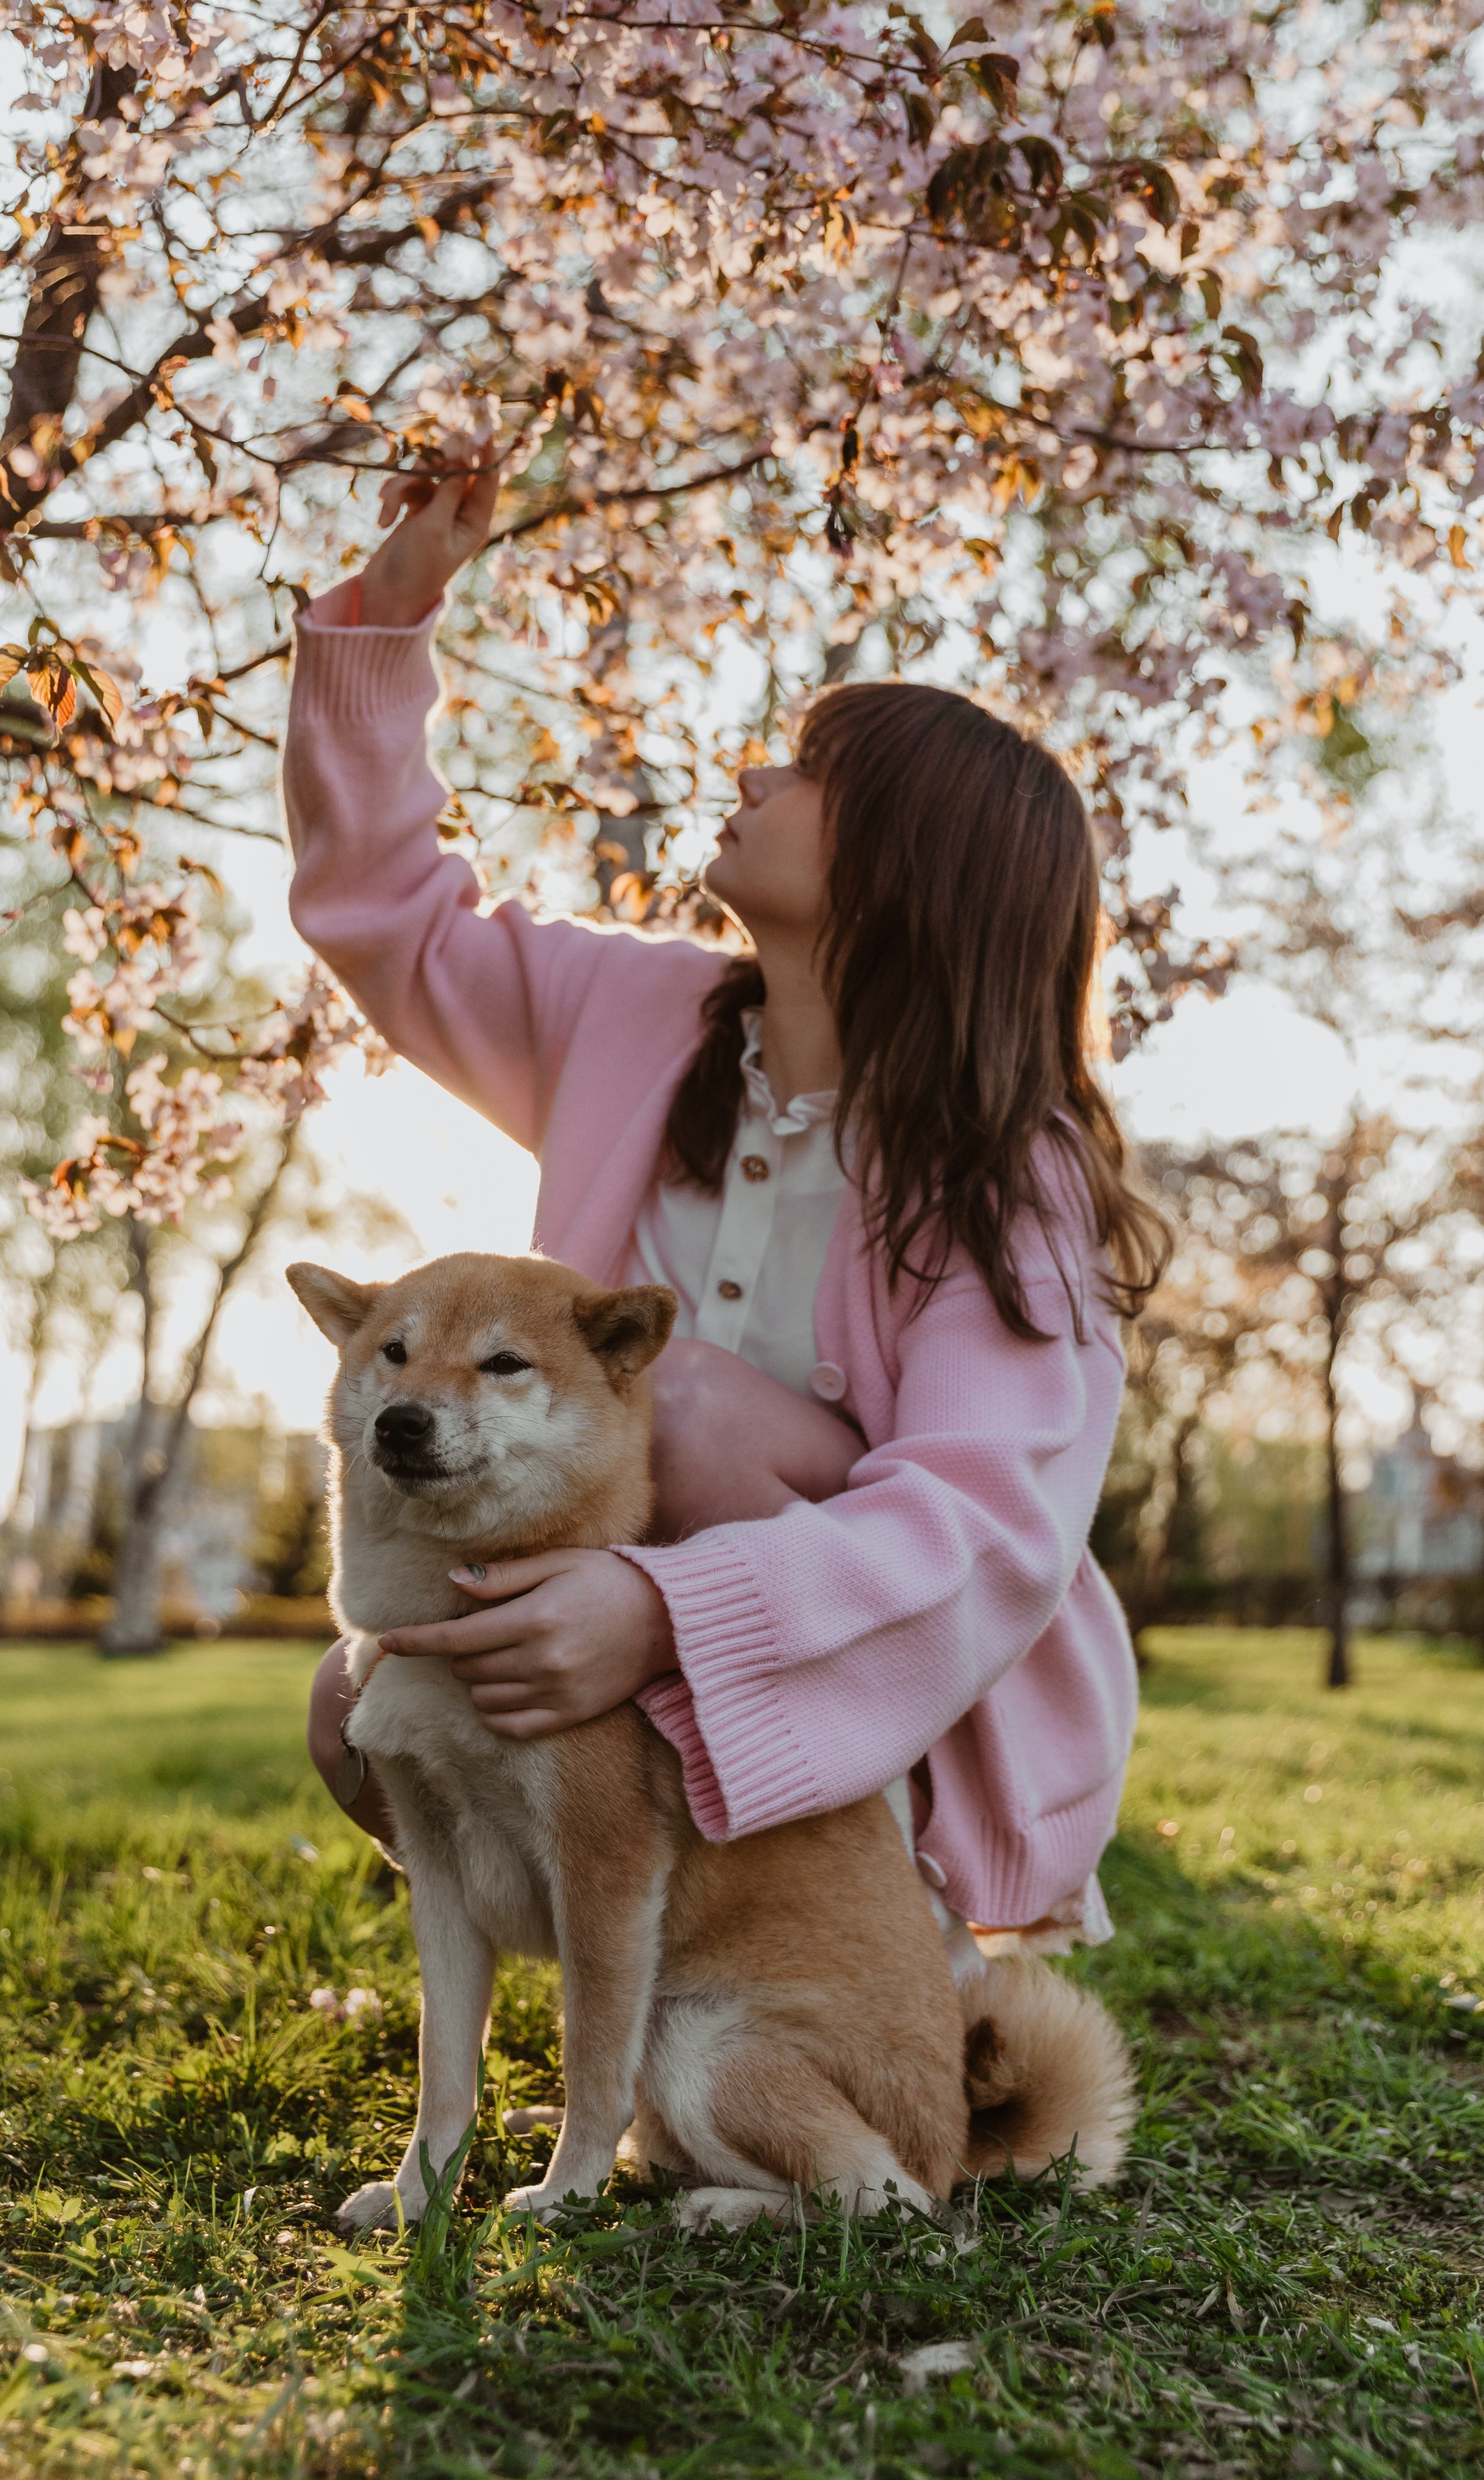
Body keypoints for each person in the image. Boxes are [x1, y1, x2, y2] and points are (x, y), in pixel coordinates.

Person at [283, 464, 1169, 1972]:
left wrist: (660, 1612)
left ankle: (883, 1948)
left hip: (909, 1727)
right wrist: (387, 619)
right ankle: (644, 1965)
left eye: (811, 770)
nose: (755, 777)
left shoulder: (1011, 1177)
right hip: (622, 1653)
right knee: (348, 1711)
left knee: (673, 1398)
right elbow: (391, 919)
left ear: (910, 871)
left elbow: (972, 1524)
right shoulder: (636, 1018)